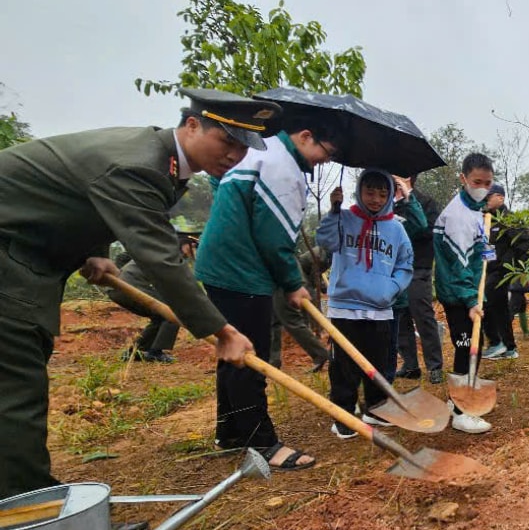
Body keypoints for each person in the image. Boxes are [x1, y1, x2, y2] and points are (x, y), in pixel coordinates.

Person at [0, 88, 261, 500]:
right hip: (9, 260)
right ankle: (35, 515)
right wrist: (222, 331)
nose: (234, 154)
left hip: (25, 255)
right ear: (192, 125)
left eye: (244, 147)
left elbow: (79, 195)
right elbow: (161, 259)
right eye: (227, 140)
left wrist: (95, 252)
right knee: (16, 389)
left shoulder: (162, 160)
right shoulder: (139, 163)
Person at [194, 107, 342, 470]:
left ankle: (230, 432)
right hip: (241, 269)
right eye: (327, 151)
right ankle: (261, 442)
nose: (324, 161)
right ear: (305, 136)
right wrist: (292, 283)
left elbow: (224, 188)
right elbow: (273, 237)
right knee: (250, 357)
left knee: (233, 352)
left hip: (221, 264)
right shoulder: (283, 169)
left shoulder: (259, 151)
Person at [316, 170, 414, 439]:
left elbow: (406, 264)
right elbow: (325, 241)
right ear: (360, 191)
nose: (375, 199)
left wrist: (391, 289)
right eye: (370, 192)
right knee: (344, 365)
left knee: (379, 362)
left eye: (382, 194)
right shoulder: (344, 218)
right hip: (344, 306)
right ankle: (344, 415)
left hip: (380, 308)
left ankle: (376, 408)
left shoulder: (396, 228)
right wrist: (334, 210)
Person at [433, 152, 497, 433]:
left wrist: (487, 250)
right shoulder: (458, 215)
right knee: (466, 345)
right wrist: (471, 300)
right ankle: (461, 410)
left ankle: (455, 400)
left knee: (471, 343)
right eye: (476, 181)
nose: (482, 187)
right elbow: (458, 266)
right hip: (459, 293)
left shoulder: (475, 210)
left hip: (470, 288)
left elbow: (476, 254)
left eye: (487, 182)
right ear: (463, 179)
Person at [108, 233, 198, 364]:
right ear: (185, 244)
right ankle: (155, 352)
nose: (195, 251)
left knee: (159, 316)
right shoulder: (172, 255)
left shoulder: (160, 248)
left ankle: (136, 352)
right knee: (173, 312)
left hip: (116, 288)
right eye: (194, 246)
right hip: (131, 288)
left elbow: (123, 257)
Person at [392, 174, 445, 383]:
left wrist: (407, 226)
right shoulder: (388, 203)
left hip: (418, 267)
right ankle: (410, 364)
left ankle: (435, 366)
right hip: (395, 269)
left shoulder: (427, 202)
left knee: (422, 316)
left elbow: (431, 230)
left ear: (408, 177)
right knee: (400, 317)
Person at [481, 184, 529, 360]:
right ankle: (508, 347)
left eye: (489, 196)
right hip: (489, 270)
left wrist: (517, 271)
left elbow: (524, 246)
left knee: (488, 301)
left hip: (503, 271)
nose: (486, 200)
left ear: (500, 198)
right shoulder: (487, 219)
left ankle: (498, 343)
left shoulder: (510, 220)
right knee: (499, 307)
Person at [385, 175, 428, 382]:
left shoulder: (400, 216)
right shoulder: (378, 214)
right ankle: (391, 374)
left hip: (399, 282)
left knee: (397, 327)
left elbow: (420, 225)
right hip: (379, 285)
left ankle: (389, 378)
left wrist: (407, 195)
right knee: (386, 337)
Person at [269, 244, 331, 372]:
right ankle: (273, 360)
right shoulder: (322, 253)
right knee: (274, 321)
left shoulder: (324, 254)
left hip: (287, 278)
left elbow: (315, 275)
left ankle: (319, 353)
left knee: (291, 320)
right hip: (285, 278)